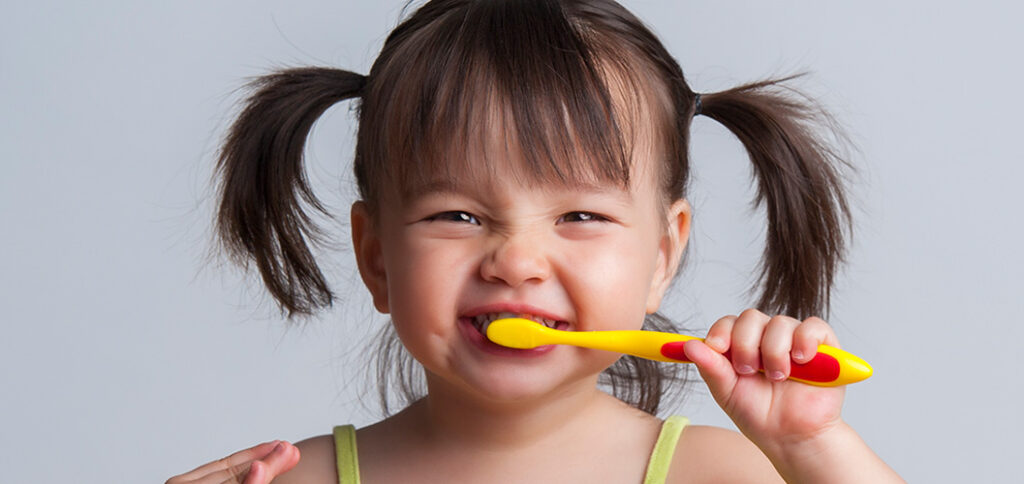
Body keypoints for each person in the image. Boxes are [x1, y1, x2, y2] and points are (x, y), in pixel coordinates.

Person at [168, 0, 903, 482]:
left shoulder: (725, 474)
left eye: (580, 217)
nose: (515, 261)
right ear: (377, 258)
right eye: (456, 216)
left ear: (661, 256)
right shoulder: (295, 479)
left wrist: (808, 448)